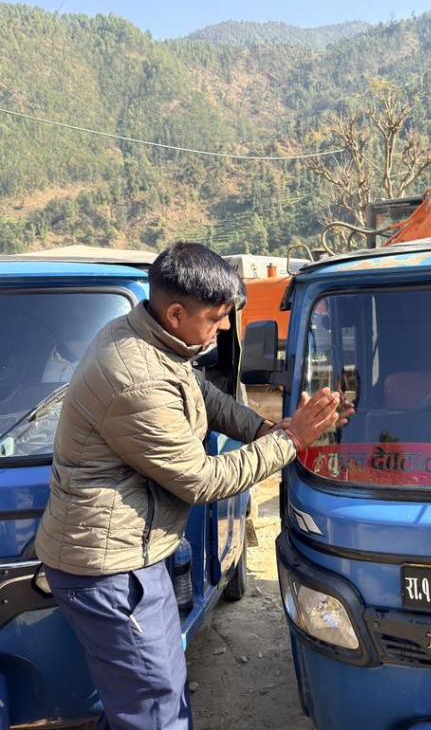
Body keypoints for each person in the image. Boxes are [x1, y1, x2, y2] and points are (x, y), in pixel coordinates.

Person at [35, 242, 343, 729]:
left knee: (150, 689)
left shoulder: (154, 340)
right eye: (216, 318)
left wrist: (266, 430)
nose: (224, 328)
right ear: (176, 313)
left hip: (129, 553)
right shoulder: (135, 377)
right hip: (110, 568)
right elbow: (202, 480)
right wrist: (292, 441)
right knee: (154, 702)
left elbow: (204, 396)